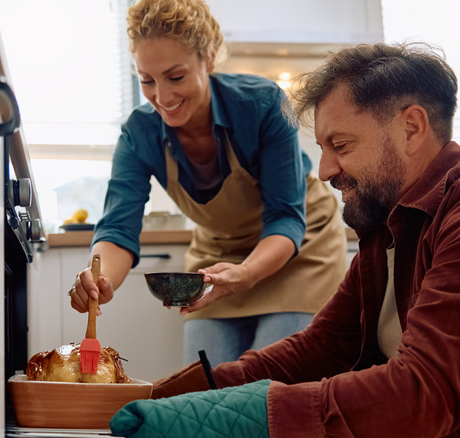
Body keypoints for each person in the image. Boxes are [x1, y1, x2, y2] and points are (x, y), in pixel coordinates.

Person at [107, 42, 460, 437]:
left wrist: (232, 419)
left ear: (411, 128)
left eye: (342, 146)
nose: (325, 170)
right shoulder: (389, 227)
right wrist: (161, 394)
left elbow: (421, 395)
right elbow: (321, 349)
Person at [67, 0, 347, 367]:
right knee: (204, 389)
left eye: (176, 76)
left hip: (298, 250)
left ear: (209, 58)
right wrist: (101, 280)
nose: (162, 98)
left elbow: (285, 217)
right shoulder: (139, 133)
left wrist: (245, 274)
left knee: (267, 386)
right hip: (216, 262)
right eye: (146, 80)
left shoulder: (263, 105)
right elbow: (119, 228)